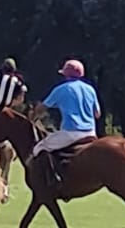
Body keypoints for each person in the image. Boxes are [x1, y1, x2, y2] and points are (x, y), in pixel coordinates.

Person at [33, 59, 101, 187]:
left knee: (39, 147)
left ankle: (52, 179)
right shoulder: (90, 89)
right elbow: (97, 114)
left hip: (71, 133)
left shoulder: (61, 89)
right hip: (91, 132)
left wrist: (35, 114)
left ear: (66, 74)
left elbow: (42, 108)